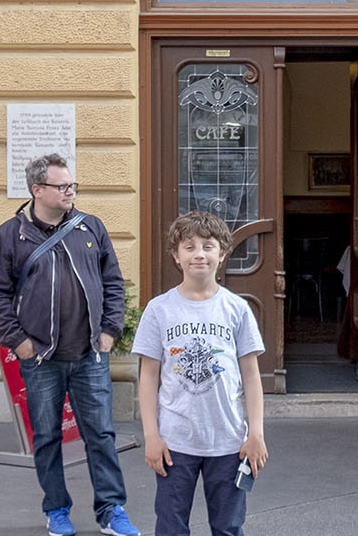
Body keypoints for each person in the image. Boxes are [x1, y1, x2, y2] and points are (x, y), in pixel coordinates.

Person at [0, 153, 139, 536]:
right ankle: (56, 509)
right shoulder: (10, 234)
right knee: (47, 437)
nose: (70, 192)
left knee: (100, 435)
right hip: (39, 359)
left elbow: (113, 283)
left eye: (72, 185)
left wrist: (108, 331)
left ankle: (111, 510)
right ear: (37, 190)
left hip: (90, 354)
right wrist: (19, 343)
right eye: (62, 186)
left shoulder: (91, 228)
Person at [134, 211, 268, 536]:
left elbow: (251, 376)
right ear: (175, 255)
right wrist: (152, 436)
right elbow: (149, 377)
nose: (199, 254)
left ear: (222, 254)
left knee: (228, 526)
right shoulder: (159, 310)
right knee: (170, 525)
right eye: (189, 246)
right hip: (174, 441)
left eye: (208, 246)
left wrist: (256, 433)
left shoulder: (237, 309)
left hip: (228, 440)